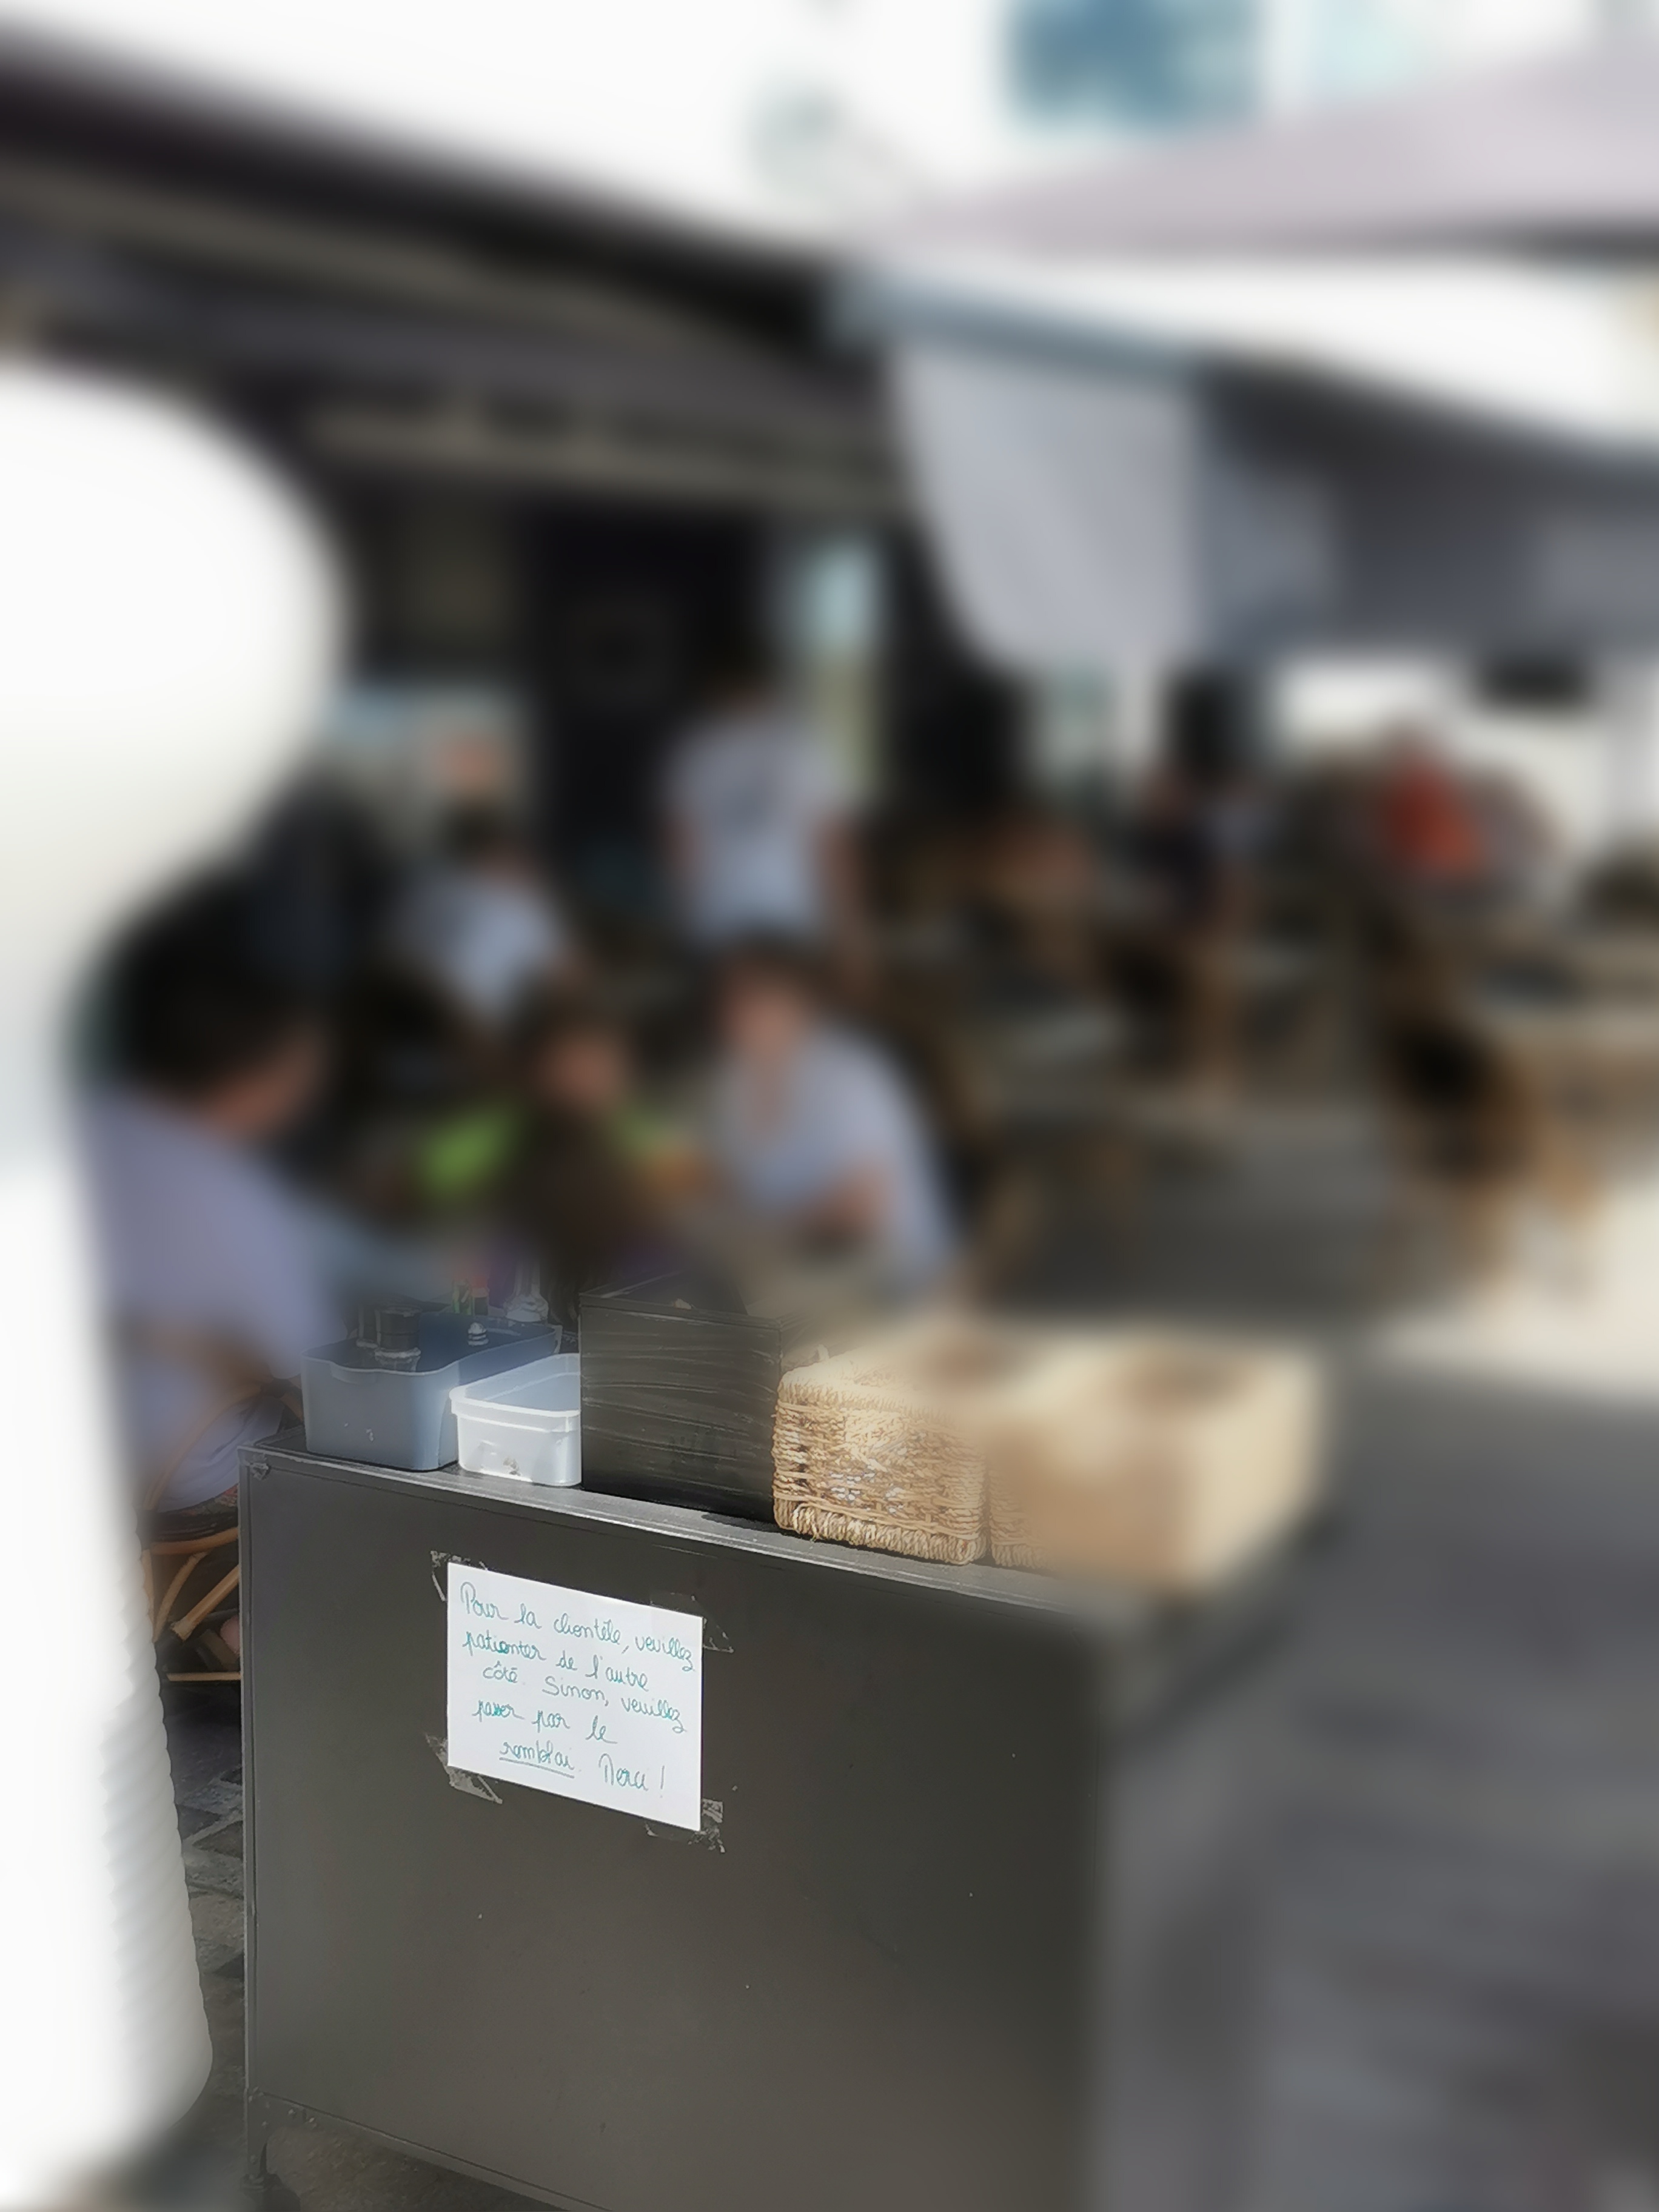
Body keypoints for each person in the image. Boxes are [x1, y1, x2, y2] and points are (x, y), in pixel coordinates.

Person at [81, 890, 337, 1664]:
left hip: (87, 1457)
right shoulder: (232, 1196)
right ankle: (252, 1624)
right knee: (359, 1448)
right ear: (255, 1076)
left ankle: (215, 1613)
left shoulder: (88, 1134)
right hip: (189, 1480)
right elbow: (313, 1364)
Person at [709, 937, 953, 1295]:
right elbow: (728, 1185)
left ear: (799, 1004)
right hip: (792, 1270)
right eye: (731, 998)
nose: (738, 1012)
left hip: (892, 1277)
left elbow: (863, 1205)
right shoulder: (734, 1081)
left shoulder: (851, 1074)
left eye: (758, 997)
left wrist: (768, 1232)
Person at [663, 638, 865, 975]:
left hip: (725, 922)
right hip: (788, 918)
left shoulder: (691, 752)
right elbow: (832, 843)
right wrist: (851, 935)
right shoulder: (804, 745)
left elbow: (682, 853)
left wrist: (686, 922)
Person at [389, 805, 575, 1031]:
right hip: (426, 1008)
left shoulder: (534, 906)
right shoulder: (437, 888)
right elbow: (396, 960)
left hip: (499, 1024)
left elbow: (563, 974)